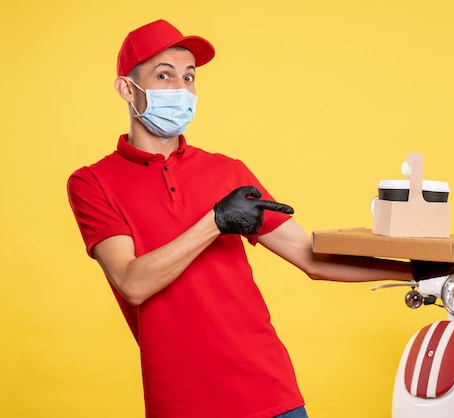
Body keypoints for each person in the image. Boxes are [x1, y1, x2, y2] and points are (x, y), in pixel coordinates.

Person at [67, 19, 413, 418]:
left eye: (189, 77)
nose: (182, 90)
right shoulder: (92, 182)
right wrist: (215, 222)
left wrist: (413, 271)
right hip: (182, 403)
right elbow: (132, 283)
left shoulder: (228, 173)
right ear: (127, 89)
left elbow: (311, 259)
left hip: (269, 391)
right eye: (164, 76)